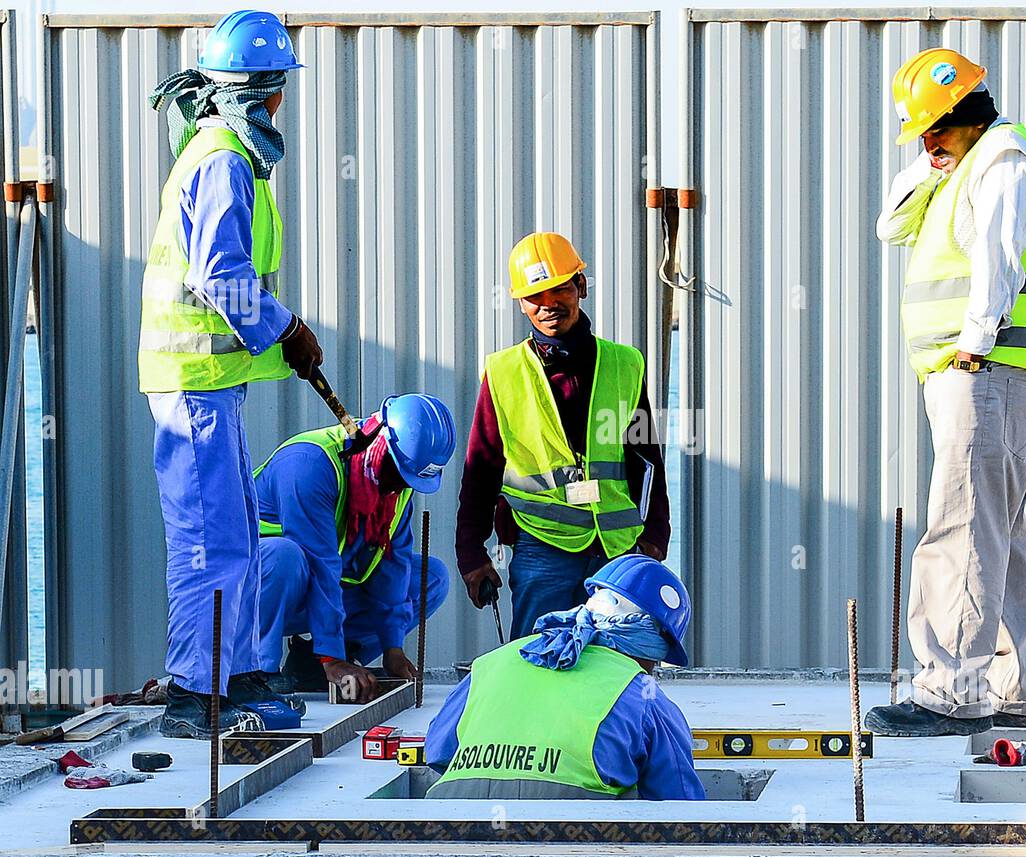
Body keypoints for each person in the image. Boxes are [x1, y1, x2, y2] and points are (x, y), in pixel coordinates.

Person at [864, 49, 1026, 737]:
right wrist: (932, 160)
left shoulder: (1003, 158)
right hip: (981, 373)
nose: (925, 142)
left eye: (933, 130)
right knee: (998, 530)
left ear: (966, 116)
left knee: (963, 526)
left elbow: (999, 261)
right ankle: (1014, 686)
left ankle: (951, 690)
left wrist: (974, 344)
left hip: (983, 368)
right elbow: (890, 223)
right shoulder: (964, 162)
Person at [141, 11, 323, 738]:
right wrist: (288, 330)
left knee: (239, 533)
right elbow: (222, 275)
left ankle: (238, 673)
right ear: (264, 91)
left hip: (211, 386)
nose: (283, 105)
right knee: (207, 538)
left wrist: (278, 340)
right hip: (191, 386)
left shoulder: (225, 155)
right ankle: (195, 694)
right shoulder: (221, 160)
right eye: (280, 91)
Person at [456, 232, 671, 641]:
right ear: (520, 303)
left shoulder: (624, 364)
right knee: (540, 667)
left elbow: (647, 459)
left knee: (619, 666)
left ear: (581, 287)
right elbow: (480, 470)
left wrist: (655, 535)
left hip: (617, 547)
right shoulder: (503, 374)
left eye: (559, 289)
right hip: (542, 546)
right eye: (534, 296)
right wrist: (471, 553)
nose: (548, 304)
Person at [424, 555, 705, 800]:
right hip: (569, 842)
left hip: (451, 826)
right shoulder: (643, 695)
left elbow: (437, 752)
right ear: (648, 644)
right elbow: (680, 807)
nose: (652, 670)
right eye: (656, 660)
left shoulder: (490, 664)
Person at [255, 395, 456, 703]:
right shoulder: (308, 465)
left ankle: (315, 662)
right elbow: (320, 565)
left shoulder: (394, 486)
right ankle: (257, 674)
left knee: (431, 578)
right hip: (251, 594)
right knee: (285, 557)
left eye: (408, 480)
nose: (398, 486)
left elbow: (393, 566)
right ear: (381, 442)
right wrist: (331, 658)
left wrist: (393, 648)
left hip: (311, 589)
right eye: (399, 473)